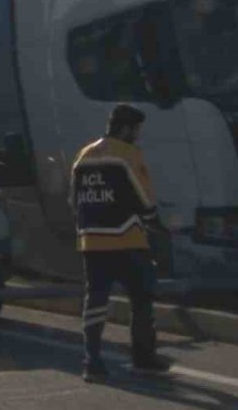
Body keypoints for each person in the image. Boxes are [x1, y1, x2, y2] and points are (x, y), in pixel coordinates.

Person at [70, 104, 173, 383]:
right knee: (141, 298)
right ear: (126, 128)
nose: (138, 135)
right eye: (137, 129)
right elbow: (145, 201)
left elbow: (74, 201)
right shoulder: (128, 155)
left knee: (95, 302)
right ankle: (143, 358)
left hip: (91, 241)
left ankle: (92, 362)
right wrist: (156, 224)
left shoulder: (83, 156)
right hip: (127, 239)